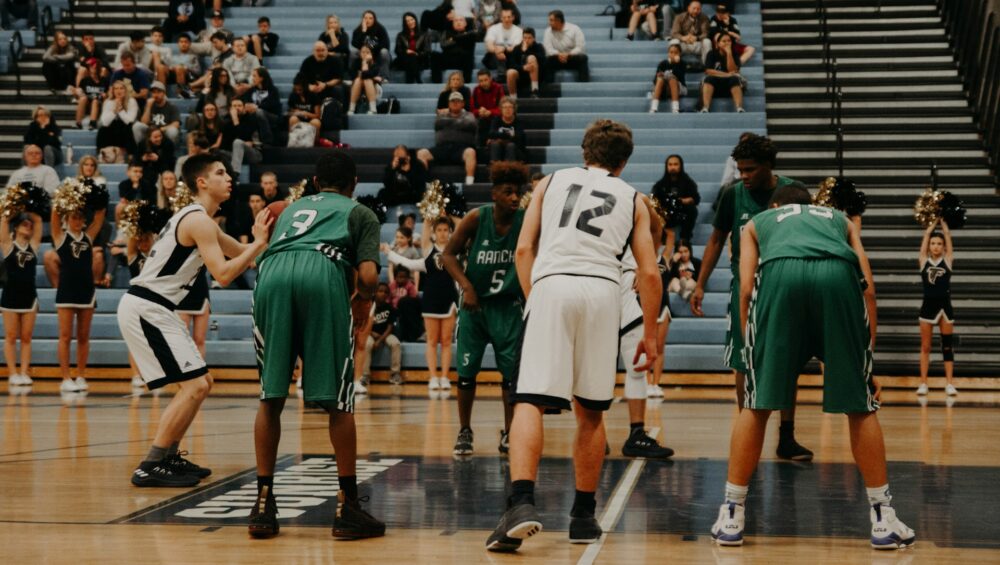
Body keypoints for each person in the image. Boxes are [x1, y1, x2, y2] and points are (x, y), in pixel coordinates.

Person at [485, 120, 662, 552]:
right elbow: (650, 273)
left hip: (554, 283)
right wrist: (651, 335)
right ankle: (583, 515)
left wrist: (535, 298)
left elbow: (524, 250)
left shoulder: (549, 182)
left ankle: (522, 504)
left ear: (585, 152)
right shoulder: (635, 198)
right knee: (592, 410)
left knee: (528, 398)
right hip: (603, 292)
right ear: (623, 161)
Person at [711, 184, 915, 550]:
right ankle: (883, 518)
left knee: (756, 405)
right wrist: (867, 364)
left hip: (779, 280)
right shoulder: (840, 219)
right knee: (861, 405)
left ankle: (731, 514)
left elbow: (744, 288)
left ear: (777, 206)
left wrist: (750, 352)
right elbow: (869, 289)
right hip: (837, 278)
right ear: (813, 205)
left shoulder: (758, 222)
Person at [248, 151, 385, 539]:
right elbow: (370, 276)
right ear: (354, 182)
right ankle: (348, 507)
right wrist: (362, 301)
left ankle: (262, 505)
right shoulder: (360, 212)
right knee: (339, 401)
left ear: (314, 180)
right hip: (322, 271)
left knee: (270, 396)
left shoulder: (291, 208)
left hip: (272, 273)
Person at [118, 153, 269, 487]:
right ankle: (152, 463)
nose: (229, 177)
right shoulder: (198, 221)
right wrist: (257, 243)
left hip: (157, 307)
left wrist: (267, 245)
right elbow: (225, 273)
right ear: (201, 182)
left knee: (202, 384)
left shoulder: (202, 221)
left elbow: (238, 253)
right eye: (220, 173)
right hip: (147, 307)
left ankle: (169, 456)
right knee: (196, 385)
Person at [690, 134, 812, 461]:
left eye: (750, 169)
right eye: (740, 169)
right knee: (742, 361)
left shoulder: (793, 192)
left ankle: (787, 437)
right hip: (745, 286)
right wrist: (700, 284)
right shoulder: (733, 195)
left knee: (786, 361)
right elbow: (716, 240)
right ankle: (749, 432)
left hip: (784, 284)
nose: (743, 175)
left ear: (768, 166)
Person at [442, 161, 528, 456]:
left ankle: (510, 432)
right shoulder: (476, 218)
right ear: (494, 194)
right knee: (466, 373)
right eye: (508, 192)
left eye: (518, 193)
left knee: (510, 377)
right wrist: (466, 286)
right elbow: (448, 255)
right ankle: (465, 430)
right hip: (475, 306)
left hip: (507, 307)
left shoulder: (526, 221)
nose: (515, 198)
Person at [616, 194, 675, 458]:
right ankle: (596, 430)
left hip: (619, 288)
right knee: (598, 371)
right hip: (604, 287)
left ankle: (636, 432)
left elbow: (658, 230)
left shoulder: (632, 212)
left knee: (636, 366)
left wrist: (642, 203)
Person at [383, 216, 459, 391]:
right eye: (439, 230)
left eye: (445, 230)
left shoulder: (455, 251)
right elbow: (408, 261)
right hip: (431, 301)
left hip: (449, 301)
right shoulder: (428, 251)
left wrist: (447, 214)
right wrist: (428, 217)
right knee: (431, 341)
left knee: (446, 340)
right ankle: (433, 377)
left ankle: (445, 377)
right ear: (434, 232)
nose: (442, 233)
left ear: (450, 232)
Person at [51, 199, 106, 393]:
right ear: (67, 219)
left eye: (80, 218)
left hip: (86, 290)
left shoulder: (88, 237)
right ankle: (65, 377)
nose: (77, 221)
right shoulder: (60, 237)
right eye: (74, 217)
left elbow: (99, 218)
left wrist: (97, 196)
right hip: (66, 290)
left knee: (83, 336)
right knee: (65, 336)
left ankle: (81, 375)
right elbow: (55, 216)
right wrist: (64, 198)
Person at [1, 211, 43, 387]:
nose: (29, 227)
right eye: (24, 224)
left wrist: (30, 207)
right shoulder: (9, 245)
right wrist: (12, 210)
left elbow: (39, 220)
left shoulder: (33, 246)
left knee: (26, 337)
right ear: (16, 227)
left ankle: (24, 372)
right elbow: (4, 221)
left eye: (29, 226)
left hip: (29, 296)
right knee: (11, 336)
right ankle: (12, 373)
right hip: (10, 295)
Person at [917, 219, 957, 396]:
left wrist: (945, 227)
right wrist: (931, 228)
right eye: (933, 243)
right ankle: (923, 383)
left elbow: (948, 238)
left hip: (945, 308)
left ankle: (949, 383)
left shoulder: (947, 261)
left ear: (943, 247)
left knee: (947, 346)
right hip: (927, 307)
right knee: (926, 347)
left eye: (939, 244)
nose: (935, 246)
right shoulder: (923, 261)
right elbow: (926, 237)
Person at [417, 92, 479, 185]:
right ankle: (423, 183)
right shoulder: (442, 116)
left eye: (458, 101)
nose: (455, 103)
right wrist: (459, 122)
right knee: (421, 153)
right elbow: (438, 123)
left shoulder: (469, 115)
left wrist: (449, 122)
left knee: (471, 152)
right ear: (449, 103)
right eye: (452, 101)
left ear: (463, 103)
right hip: (442, 148)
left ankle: (469, 183)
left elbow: (470, 124)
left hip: (461, 149)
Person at [361, 282, 403, 386]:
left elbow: (390, 327)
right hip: (369, 334)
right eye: (380, 291)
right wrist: (371, 333)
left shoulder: (390, 308)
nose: (383, 294)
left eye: (385, 292)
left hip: (385, 334)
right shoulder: (368, 305)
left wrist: (380, 339)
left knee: (396, 343)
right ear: (375, 292)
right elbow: (363, 324)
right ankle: (365, 375)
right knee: (367, 344)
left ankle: (395, 374)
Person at [651, 154, 700, 241]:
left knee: (692, 210)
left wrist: (685, 200)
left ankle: (684, 239)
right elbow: (654, 199)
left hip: (682, 211)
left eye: (675, 164)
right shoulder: (660, 184)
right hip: (667, 213)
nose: (673, 167)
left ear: (680, 166)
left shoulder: (688, 182)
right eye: (670, 164)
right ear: (666, 166)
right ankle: (662, 238)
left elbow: (696, 198)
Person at [701, 32, 745, 113]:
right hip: (714, 87)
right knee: (708, 79)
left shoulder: (734, 54)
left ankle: (739, 108)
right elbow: (708, 71)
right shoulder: (711, 53)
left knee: (735, 79)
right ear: (718, 43)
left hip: (730, 87)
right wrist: (726, 75)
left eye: (729, 41)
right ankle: (705, 107)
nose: (727, 43)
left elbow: (733, 71)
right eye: (724, 41)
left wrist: (729, 53)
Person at [96, 80, 139, 162]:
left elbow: (129, 121)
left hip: (126, 129)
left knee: (126, 128)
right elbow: (105, 122)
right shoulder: (108, 102)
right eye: (116, 89)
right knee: (102, 129)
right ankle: (102, 154)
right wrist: (114, 111)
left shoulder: (131, 101)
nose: (118, 91)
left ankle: (131, 156)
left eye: (121, 88)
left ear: (125, 90)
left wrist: (120, 110)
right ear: (113, 91)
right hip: (113, 130)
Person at [542, 10, 589, 83]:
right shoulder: (548, 31)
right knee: (547, 60)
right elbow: (548, 49)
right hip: (557, 58)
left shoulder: (575, 29)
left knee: (583, 58)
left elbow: (580, 47)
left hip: (571, 57)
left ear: (558, 20)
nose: (549, 23)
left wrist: (569, 54)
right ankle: (549, 88)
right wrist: (559, 54)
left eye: (551, 20)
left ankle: (584, 86)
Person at [298, 41, 347, 107]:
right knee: (301, 89)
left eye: (323, 50)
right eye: (318, 51)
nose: (321, 53)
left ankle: (338, 111)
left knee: (338, 89)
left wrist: (325, 85)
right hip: (313, 88)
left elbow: (338, 78)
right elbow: (300, 78)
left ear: (327, 51)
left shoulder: (335, 61)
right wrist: (308, 86)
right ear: (313, 52)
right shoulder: (307, 62)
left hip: (330, 87)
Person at [432, 16, 477, 83]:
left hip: (463, 60)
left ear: (465, 24)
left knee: (468, 57)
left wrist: (453, 39)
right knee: (434, 55)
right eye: (456, 21)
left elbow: (469, 43)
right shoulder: (447, 32)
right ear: (452, 24)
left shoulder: (471, 34)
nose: (458, 22)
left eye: (461, 20)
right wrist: (462, 38)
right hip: (448, 59)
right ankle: (436, 82)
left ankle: (466, 83)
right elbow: (443, 45)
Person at [134, 81, 181, 145]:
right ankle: (141, 151)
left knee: (173, 131)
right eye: (153, 92)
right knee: (137, 126)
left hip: (164, 132)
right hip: (150, 132)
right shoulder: (149, 105)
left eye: (159, 92)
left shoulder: (172, 107)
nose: (156, 95)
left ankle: (169, 153)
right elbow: (143, 123)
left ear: (164, 93)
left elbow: (176, 124)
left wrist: (160, 130)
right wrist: (148, 107)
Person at [351, 10, 392, 80]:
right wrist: (363, 31)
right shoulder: (358, 30)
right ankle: (353, 76)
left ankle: (384, 77)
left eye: (370, 18)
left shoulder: (380, 29)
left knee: (384, 52)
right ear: (363, 20)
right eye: (366, 18)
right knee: (353, 52)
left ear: (374, 19)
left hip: (376, 54)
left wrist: (370, 50)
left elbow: (385, 45)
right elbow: (355, 43)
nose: (368, 20)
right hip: (363, 54)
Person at [506, 27, 545, 98]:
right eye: (525, 38)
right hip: (521, 73)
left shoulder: (539, 47)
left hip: (536, 74)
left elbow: (543, 61)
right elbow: (511, 64)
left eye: (529, 38)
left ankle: (535, 90)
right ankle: (513, 98)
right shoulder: (517, 48)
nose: (527, 40)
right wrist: (523, 68)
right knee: (510, 72)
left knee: (531, 58)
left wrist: (527, 51)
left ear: (534, 38)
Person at [649, 42, 687, 114]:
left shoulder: (682, 63)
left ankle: (675, 108)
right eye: (671, 52)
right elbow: (654, 81)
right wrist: (659, 76)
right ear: (668, 53)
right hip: (665, 88)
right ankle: (653, 108)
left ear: (680, 54)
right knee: (660, 79)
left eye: (676, 52)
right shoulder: (663, 63)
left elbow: (680, 76)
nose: (673, 54)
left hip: (680, 88)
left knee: (672, 79)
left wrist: (676, 63)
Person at [393, 12, 430, 84]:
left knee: (412, 58)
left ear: (415, 20)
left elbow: (427, 50)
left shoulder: (424, 34)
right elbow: (397, 50)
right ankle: (417, 78)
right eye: (407, 21)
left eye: (412, 19)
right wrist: (406, 52)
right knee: (410, 58)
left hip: (420, 60)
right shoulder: (400, 35)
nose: (410, 22)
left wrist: (416, 54)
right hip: (404, 59)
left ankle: (409, 81)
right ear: (405, 23)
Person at [671, 0, 711, 66]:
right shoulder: (679, 17)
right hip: (684, 44)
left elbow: (705, 33)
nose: (696, 11)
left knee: (707, 41)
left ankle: (707, 66)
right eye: (694, 8)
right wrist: (683, 38)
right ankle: (674, 65)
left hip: (697, 44)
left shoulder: (704, 18)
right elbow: (674, 33)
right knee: (674, 42)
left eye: (698, 9)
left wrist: (696, 38)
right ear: (688, 8)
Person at [347, 44, 384, 115]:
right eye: (363, 52)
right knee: (358, 80)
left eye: (367, 52)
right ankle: (351, 109)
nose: (365, 54)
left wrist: (365, 63)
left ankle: (373, 109)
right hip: (357, 88)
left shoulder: (375, 64)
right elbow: (352, 75)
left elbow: (367, 75)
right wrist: (371, 76)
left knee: (367, 80)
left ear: (371, 54)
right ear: (360, 53)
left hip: (375, 89)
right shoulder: (356, 62)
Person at [486, 96, 525, 163]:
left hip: (514, 150)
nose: (508, 110)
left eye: (510, 107)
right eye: (505, 107)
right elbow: (491, 134)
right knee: (495, 145)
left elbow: (520, 138)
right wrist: (509, 136)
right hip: (499, 149)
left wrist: (501, 138)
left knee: (510, 146)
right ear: (501, 109)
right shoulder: (496, 120)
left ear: (514, 109)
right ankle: (495, 169)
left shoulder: (518, 122)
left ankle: (510, 170)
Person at [472, 69, 504, 146]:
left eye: (485, 80)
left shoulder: (498, 88)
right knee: (481, 122)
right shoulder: (476, 90)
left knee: (494, 120)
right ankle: (480, 148)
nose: (483, 83)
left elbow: (502, 109)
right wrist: (479, 111)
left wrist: (490, 112)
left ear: (490, 78)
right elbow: (472, 110)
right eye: (481, 81)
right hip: (482, 118)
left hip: (496, 118)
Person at [75, 61, 109, 130]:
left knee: (95, 101)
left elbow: (108, 93)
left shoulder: (104, 80)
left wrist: (105, 95)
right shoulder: (85, 80)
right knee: (82, 99)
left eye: (95, 66)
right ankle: (78, 123)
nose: (93, 68)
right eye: (91, 66)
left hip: (100, 103)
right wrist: (78, 92)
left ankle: (92, 123)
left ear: (98, 68)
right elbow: (79, 93)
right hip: (87, 103)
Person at [170, 34, 202, 99]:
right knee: (160, 68)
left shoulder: (193, 56)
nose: (183, 44)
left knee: (180, 68)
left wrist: (187, 68)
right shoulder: (173, 57)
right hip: (173, 74)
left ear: (189, 44)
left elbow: (198, 71)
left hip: (189, 75)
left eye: (185, 42)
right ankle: (162, 93)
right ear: (178, 44)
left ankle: (181, 93)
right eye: (181, 42)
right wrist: (170, 68)